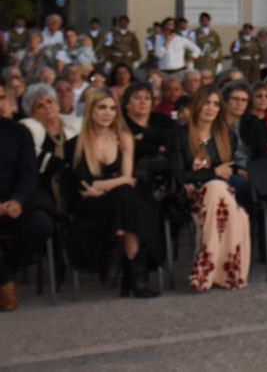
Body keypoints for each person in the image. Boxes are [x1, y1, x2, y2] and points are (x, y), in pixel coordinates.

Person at [64, 89, 163, 298]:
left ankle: (116, 253)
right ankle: (135, 279)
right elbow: (86, 184)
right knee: (126, 197)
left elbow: (114, 180)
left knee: (124, 197)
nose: (107, 113)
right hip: (90, 205)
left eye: (112, 108)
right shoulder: (75, 144)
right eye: (102, 108)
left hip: (115, 199)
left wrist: (107, 184)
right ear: (90, 111)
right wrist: (119, 180)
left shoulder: (124, 137)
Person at [168, 86, 250, 291]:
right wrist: (213, 174)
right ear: (197, 106)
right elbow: (178, 174)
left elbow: (227, 169)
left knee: (227, 200)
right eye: (206, 103)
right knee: (223, 196)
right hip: (190, 196)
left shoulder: (226, 134)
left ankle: (207, 267)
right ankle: (225, 273)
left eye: (215, 104)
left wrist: (231, 173)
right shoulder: (180, 134)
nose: (211, 108)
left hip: (219, 196)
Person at [0, 111, 54, 311]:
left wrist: (17, 201)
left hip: (17, 200)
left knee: (41, 225)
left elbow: (29, 173)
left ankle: (6, 272)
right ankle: (4, 280)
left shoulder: (19, 131)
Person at [20, 83, 82, 211]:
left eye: (50, 102)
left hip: (76, 185)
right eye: (40, 106)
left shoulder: (75, 126)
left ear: (57, 104)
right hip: (43, 189)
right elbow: (32, 156)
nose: (47, 107)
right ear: (32, 113)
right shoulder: (29, 130)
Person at [220, 81, 267, 206]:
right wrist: (239, 171)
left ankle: (266, 224)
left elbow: (263, 152)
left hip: (253, 168)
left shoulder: (252, 122)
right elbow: (218, 158)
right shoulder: (217, 126)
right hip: (229, 170)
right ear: (226, 100)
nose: (240, 104)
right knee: (242, 186)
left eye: (244, 100)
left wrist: (255, 171)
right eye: (235, 99)